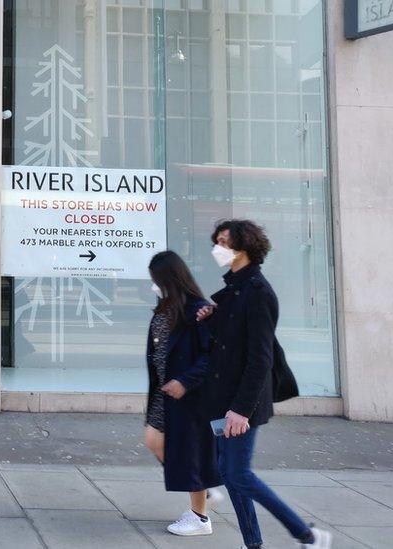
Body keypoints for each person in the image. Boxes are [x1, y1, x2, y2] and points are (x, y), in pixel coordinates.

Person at [198, 219, 332, 549]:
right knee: (230, 473)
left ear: (244, 249)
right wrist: (211, 320)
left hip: (241, 404)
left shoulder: (257, 293)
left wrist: (241, 411)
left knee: (238, 474)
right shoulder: (235, 291)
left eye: (224, 242)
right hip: (223, 399)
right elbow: (231, 343)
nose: (218, 248)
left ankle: (309, 536)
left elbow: (260, 359)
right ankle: (254, 543)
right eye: (216, 241)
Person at [143, 250, 222, 537]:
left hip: (188, 396)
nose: (153, 284)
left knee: (190, 454)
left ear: (170, 278)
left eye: (156, 279)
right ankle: (203, 490)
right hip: (165, 393)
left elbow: (210, 356)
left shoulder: (198, 310)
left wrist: (184, 381)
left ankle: (200, 517)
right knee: (154, 440)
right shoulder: (166, 307)